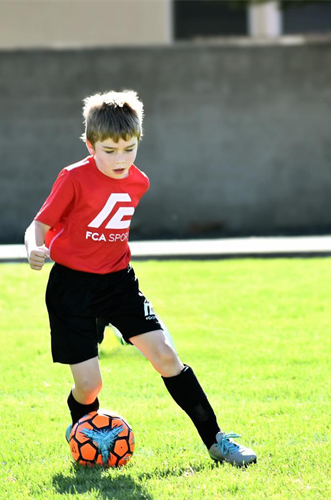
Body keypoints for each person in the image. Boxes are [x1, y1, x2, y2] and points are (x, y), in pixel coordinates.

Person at [24, 90, 256, 467]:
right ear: (90, 145)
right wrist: (33, 249)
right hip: (72, 288)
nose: (121, 159)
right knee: (89, 386)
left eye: (129, 149)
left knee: (166, 356)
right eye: (110, 150)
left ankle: (217, 442)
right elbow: (39, 224)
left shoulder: (139, 182)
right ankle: (83, 434)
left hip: (118, 283)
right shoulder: (72, 178)